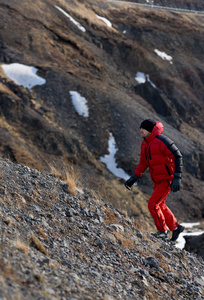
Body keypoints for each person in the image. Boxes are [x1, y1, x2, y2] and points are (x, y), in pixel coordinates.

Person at [125, 119, 184, 241]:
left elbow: (177, 155)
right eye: (140, 128)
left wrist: (177, 177)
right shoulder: (145, 144)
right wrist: (134, 177)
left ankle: (162, 231)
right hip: (158, 180)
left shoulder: (162, 141)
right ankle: (176, 227)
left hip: (167, 179)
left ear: (150, 130)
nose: (140, 130)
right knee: (160, 204)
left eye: (143, 128)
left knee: (153, 204)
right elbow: (143, 163)